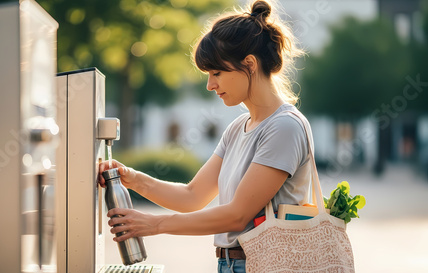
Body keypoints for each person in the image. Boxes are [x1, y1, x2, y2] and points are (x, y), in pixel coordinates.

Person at [99, 1, 311, 272]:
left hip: (263, 264)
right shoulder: (238, 128)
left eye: (217, 73)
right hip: (231, 263)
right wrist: (134, 179)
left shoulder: (284, 127)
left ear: (249, 64)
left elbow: (237, 216)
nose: (211, 85)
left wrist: (155, 224)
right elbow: (193, 195)